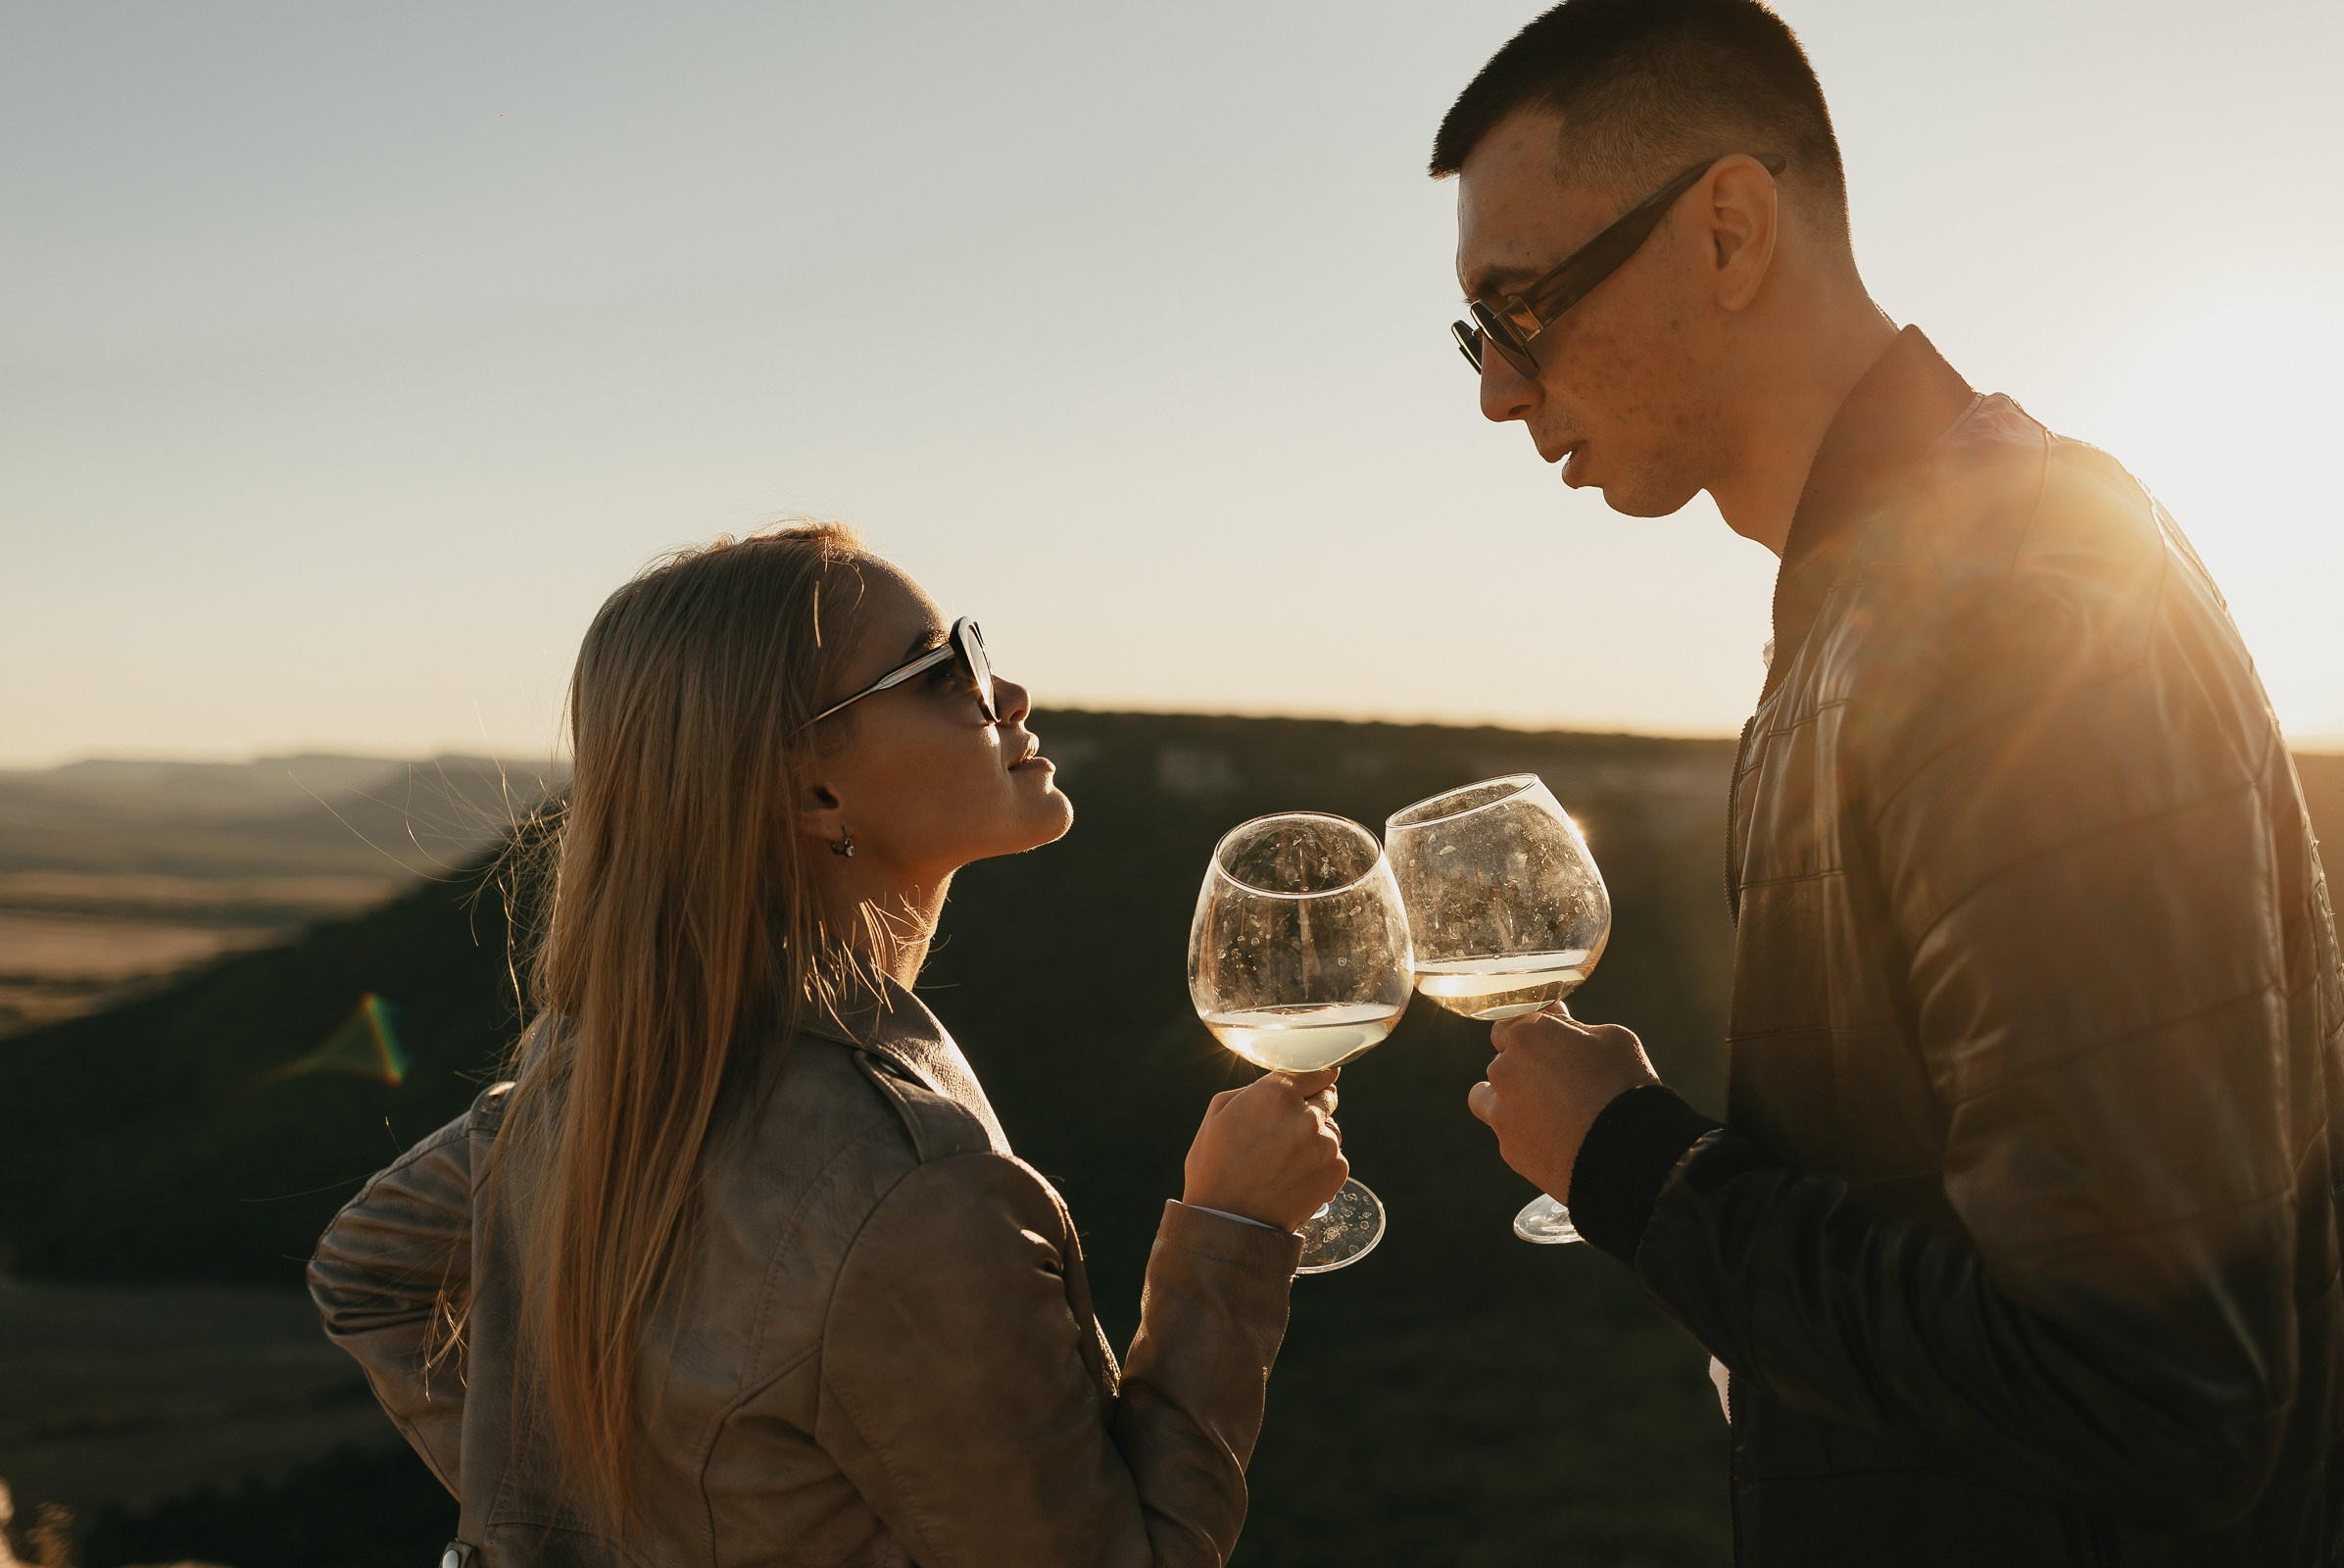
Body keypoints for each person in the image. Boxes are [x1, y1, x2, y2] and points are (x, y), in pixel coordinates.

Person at [1431, 2, 2344, 1563]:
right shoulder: (1881, 597)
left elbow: (2157, 1395)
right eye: (1478, 337)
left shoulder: (2013, 613)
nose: (1499, 396)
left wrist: (1637, 1170)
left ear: (1727, 229)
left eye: (1522, 311)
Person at [308, 525, 1346, 1566]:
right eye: (947, 669)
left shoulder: (603, 1077)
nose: (1009, 692)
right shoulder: (915, 1192)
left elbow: (365, 1272)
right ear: (811, 791)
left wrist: (570, 1517)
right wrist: (1234, 1226)